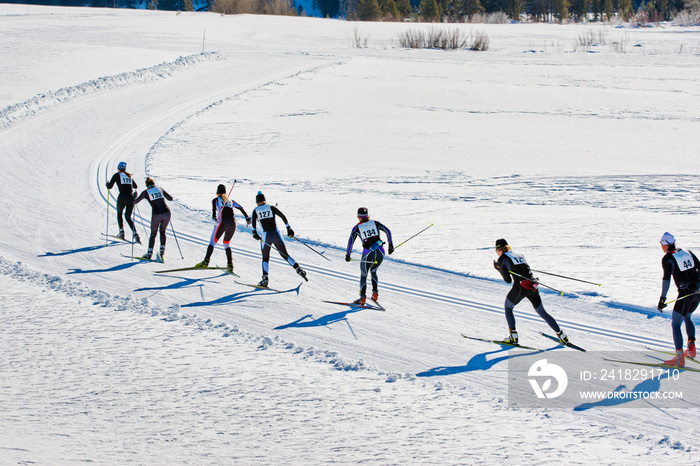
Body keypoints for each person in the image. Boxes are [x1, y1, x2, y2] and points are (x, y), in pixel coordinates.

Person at [493, 238, 567, 345]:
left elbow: (508, 280)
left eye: (496, 251)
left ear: (499, 250)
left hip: (520, 287)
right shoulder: (519, 254)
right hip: (532, 285)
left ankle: (513, 336)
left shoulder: (502, 259)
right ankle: (561, 335)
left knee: (508, 308)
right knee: (542, 311)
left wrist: (499, 269)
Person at [657, 232, 700, 367]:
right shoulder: (687, 252)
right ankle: (691, 349)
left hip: (685, 293)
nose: (661, 246)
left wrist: (662, 299)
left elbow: (666, 280)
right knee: (687, 317)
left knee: (675, 323)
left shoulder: (668, 258)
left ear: (665, 244)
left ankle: (679, 357)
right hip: (697, 292)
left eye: (661, 244)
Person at [250, 191, 307, 287]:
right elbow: (283, 216)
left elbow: (253, 225)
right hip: (276, 234)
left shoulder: (255, 210)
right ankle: (299, 269)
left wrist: (254, 233)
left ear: (257, 202)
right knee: (285, 254)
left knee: (265, 258)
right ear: (265, 200)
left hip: (266, 235)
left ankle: (265, 279)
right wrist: (288, 228)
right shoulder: (271, 207)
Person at [345, 207, 393, 306]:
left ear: (358, 217)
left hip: (368, 254)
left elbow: (350, 242)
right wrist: (391, 245)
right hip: (380, 251)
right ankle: (375, 294)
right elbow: (388, 231)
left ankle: (362, 298)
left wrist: (348, 255)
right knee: (374, 271)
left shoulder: (357, 228)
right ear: (367, 215)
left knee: (364, 275)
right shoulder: (375, 223)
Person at [196, 184, 250, 272]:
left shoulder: (216, 200)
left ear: (217, 192)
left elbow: (214, 210)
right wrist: (247, 218)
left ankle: (206, 262)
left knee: (212, 243)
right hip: (232, 224)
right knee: (226, 244)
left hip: (222, 223)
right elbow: (241, 208)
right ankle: (230, 265)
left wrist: (214, 218)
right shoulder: (231, 200)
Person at [134, 177, 173, 261]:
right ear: (153, 183)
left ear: (147, 185)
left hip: (157, 215)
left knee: (153, 234)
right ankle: (162, 250)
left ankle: (149, 252)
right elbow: (170, 198)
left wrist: (134, 196)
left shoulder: (146, 192)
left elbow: (135, 202)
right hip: (167, 213)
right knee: (162, 231)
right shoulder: (160, 189)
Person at [105, 161, 140, 243]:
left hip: (122, 197)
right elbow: (135, 186)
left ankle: (121, 232)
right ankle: (135, 234)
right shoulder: (129, 176)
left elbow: (110, 187)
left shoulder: (117, 175)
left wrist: (107, 184)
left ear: (118, 168)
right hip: (131, 198)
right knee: (128, 217)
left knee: (119, 213)